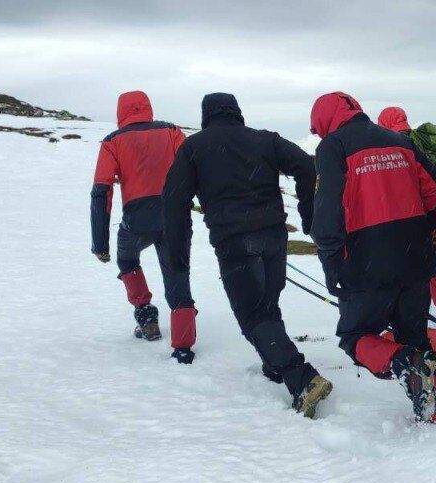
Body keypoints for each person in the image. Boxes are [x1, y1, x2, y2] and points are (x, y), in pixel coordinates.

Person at [162, 93, 332, 419]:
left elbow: (173, 205)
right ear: (237, 112)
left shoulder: (193, 148)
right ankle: (275, 366)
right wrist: (308, 217)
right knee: (266, 306)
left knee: (252, 315)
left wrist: (178, 256)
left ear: (206, 115)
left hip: (234, 241)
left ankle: (302, 379)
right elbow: (305, 167)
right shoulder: (264, 140)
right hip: (273, 237)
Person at [309, 93, 436, 425]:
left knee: (355, 337)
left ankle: (405, 364)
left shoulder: (334, 147)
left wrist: (331, 263)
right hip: (416, 260)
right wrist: (421, 230)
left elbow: (328, 212)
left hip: (366, 262)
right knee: (415, 337)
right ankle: (433, 417)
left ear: (326, 121)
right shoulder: (399, 141)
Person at [90, 90, 194, 344]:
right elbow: (193, 168)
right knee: (177, 273)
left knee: (127, 260)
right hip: (174, 217)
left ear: (120, 111)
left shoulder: (113, 141)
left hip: (137, 221)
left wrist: (100, 243)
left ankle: (146, 317)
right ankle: (183, 347)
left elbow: (101, 191)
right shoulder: (172, 132)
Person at [377, 105, 436, 317]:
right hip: (425, 216)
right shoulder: (415, 144)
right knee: (431, 261)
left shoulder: (387, 149)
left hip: (401, 218)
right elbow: (432, 186)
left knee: (399, 263)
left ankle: (405, 309)